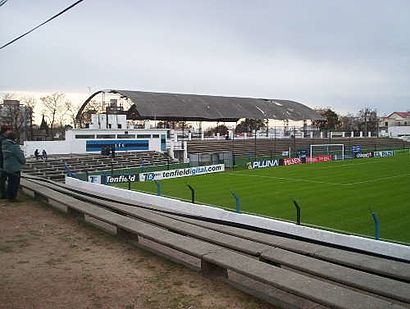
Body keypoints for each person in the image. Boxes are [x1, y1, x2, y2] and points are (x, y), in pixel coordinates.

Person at [2, 131, 26, 201]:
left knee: (10, 182)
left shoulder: (4, 145)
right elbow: (21, 158)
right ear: (14, 138)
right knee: (15, 183)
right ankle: (13, 197)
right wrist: (23, 161)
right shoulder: (14, 146)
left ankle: (9, 196)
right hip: (15, 167)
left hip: (7, 167)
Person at [0, 126, 12, 199]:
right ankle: (4, 193)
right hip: (3, 160)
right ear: (6, 131)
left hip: (3, 160)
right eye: (9, 130)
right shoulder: (3, 140)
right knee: (3, 177)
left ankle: (4, 193)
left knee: (3, 178)